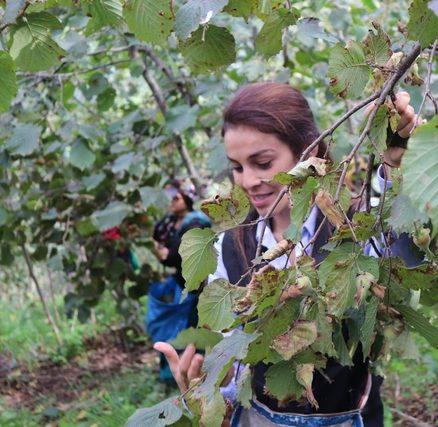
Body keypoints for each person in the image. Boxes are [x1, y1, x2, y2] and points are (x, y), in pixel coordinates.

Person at [154, 82, 418, 426]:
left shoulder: (351, 228)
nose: (248, 181)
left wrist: (394, 164)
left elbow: (406, 260)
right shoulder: (229, 247)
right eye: (237, 167)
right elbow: (234, 360)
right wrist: (210, 392)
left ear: (306, 152)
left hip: (348, 416)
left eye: (262, 163)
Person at [148, 179, 211, 384]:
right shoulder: (169, 221)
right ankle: (173, 373)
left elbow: (175, 256)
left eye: (176, 197)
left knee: (191, 330)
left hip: (197, 287)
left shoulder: (196, 222)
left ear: (187, 197)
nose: (172, 201)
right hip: (180, 284)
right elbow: (158, 240)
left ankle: (194, 374)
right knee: (175, 330)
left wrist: (162, 253)